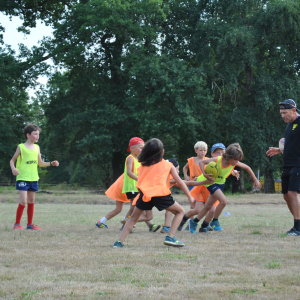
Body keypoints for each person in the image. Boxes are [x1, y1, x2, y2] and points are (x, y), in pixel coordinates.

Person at [113, 138, 194, 248]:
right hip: (160, 194)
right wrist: (190, 196)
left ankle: (119, 242)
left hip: (145, 195)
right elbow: (179, 182)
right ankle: (170, 237)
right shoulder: (168, 165)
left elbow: (141, 181)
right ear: (163, 152)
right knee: (180, 212)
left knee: (132, 218)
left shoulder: (142, 165)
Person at [188, 143, 261, 233]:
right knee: (224, 201)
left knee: (208, 206)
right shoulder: (218, 159)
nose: (236, 161)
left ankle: (199, 224)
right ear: (229, 156)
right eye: (235, 159)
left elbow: (247, 168)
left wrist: (256, 180)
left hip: (220, 184)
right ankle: (215, 221)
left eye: (238, 159)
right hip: (211, 183)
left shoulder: (234, 162)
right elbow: (202, 162)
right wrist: (205, 174)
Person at [10, 124, 59, 230]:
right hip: (22, 178)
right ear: (28, 135)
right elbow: (12, 161)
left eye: (38, 134)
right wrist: (13, 169)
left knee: (31, 201)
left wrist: (51, 163)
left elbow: (40, 163)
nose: (37, 136)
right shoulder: (21, 147)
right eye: (35, 134)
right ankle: (17, 224)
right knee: (23, 201)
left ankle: (30, 225)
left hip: (33, 178)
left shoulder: (37, 147)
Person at [266, 99, 300, 236]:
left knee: (293, 194)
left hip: (297, 165)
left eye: (285, 113)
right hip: (287, 165)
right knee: (286, 196)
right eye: (281, 113)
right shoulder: (289, 126)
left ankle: (297, 227)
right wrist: (279, 150)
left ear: (294, 110)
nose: (282, 116)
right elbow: (293, 145)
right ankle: (298, 223)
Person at [178, 143, 227, 232]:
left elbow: (227, 168)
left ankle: (204, 226)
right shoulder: (199, 160)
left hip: (210, 188)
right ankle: (185, 219)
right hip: (198, 186)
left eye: (222, 153)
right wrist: (186, 176)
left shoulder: (216, 161)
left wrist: (234, 171)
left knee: (211, 211)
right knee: (196, 209)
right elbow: (185, 168)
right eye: (218, 153)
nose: (220, 155)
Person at [181, 141, 209, 230]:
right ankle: (190, 223)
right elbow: (184, 168)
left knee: (206, 206)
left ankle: (206, 223)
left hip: (204, 186)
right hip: (193, 185)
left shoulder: (208, 161)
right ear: (196, 150)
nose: (203, 152)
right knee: (192, 205)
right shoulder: (191, 160)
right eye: (201, 150)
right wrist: (186, 176)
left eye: (204, 150)